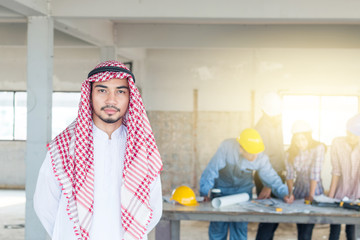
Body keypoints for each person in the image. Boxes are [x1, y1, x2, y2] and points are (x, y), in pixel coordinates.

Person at [33, 60, 163, 240]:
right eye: (102, 90)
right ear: (89, 95)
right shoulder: (64, 146)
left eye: (120, 91)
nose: (111, 99)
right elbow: (44, 205)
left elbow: (153, 208)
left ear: (130, 97)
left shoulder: (141, 147)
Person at [199, 128, 291, 240]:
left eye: (256, 153)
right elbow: (211, 170)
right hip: (221, 192)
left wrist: (285, 193)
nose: (255, 157)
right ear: (241, 149)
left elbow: (272, 178)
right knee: (218, 228)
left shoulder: (260, 156)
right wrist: (204, 192)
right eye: (251, 154)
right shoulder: (227, 147)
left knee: (239, 229)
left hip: (242, 194)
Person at [285, 120, 326, 240]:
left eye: (303, 139)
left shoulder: (319, 148)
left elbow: (315, 172)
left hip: (315, 189)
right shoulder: (289, 153)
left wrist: (311, 195)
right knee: (300, 223)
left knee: (308, 225)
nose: (300, 143)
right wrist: (290, 194)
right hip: (299, 190)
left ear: (309, 137)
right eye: (297, 140)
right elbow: (290, 175)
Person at [254, 92, 286, 240]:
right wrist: (268, 185)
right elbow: (262, 160)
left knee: (275, 217)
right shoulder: (261, 129)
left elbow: (278, 150)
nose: (278, 116)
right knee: (268, 218)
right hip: (267, 178)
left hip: (278, 175)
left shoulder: (275, 123)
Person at [327, 114, 360, 240]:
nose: (351, 137)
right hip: (340, 193)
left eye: (355, 135)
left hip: (357, 195)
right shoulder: (337, 143)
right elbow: (336, 171)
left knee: (352, 232)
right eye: (349, 133)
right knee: (334, 230)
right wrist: (330, 197)